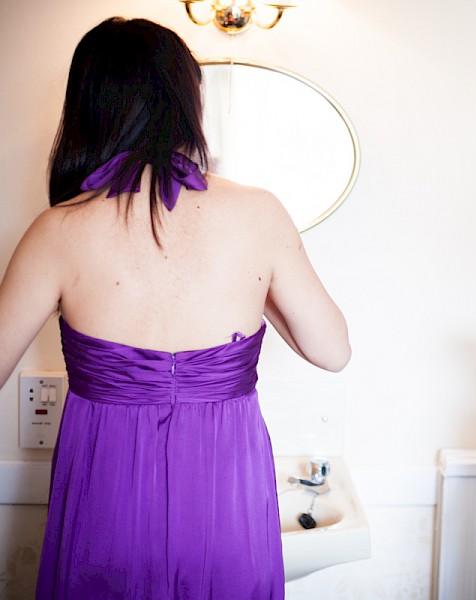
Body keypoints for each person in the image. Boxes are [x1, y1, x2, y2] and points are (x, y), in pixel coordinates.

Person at [0, 17, 350, 599]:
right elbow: (332, 351)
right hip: (225, 504)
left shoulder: (57, 231)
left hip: (103, 505)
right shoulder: (257, 214)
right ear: (187, 102)